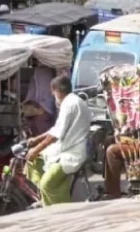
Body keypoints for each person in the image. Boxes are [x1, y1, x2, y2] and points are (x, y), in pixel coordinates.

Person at [25, 76, 91, 206]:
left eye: (53, 93)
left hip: (72, 154)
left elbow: (56, 135)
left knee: (46, 184)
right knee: (34, 161)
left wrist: (36, 149)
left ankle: (59, 210)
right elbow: (56, 128)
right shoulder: (73, 101)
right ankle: (44, 198)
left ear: (57, 91)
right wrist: (36, 140)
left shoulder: (69, 104)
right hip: (67, 148)